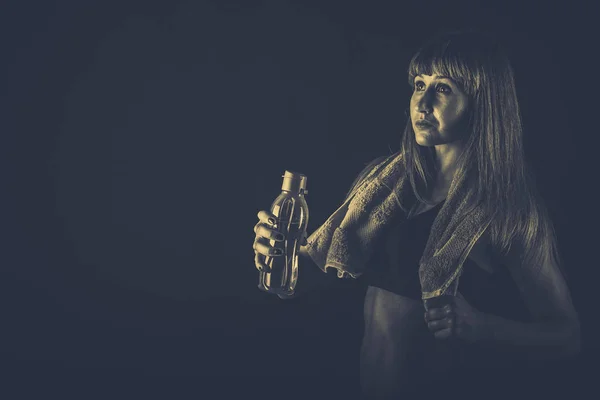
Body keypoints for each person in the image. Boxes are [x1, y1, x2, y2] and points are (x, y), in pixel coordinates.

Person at [252, 30, 580, 398]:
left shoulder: (505, 208)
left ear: (482, 101)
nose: (422, 103)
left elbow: (566, 336)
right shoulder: (382, 185)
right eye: (419, 84)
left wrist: (483, 327)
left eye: (443, 89)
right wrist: (279, 259)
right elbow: (318, 280)